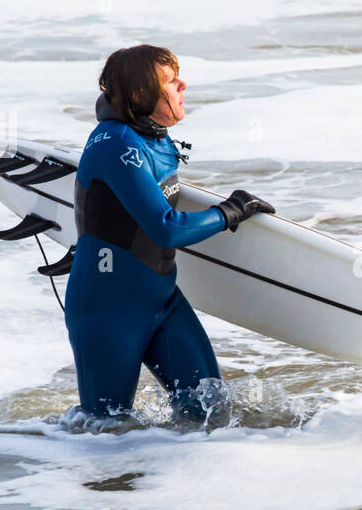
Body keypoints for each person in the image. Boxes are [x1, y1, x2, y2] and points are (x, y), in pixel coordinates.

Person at [64, 44, 273, 424]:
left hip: (161, 300)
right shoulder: (118, 144)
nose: (183, 86)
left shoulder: (154, 138)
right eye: (171, 81)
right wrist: (229, 212)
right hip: (108, 308)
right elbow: (166, 228)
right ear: (139, 96)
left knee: (210, 413)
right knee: (102, 431)